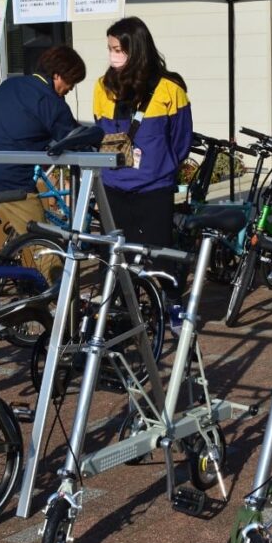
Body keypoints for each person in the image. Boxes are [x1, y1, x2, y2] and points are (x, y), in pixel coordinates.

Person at [93, 17, 192, 331]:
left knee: (161, 251)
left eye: (118, 49)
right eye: (109, 48)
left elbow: (181, 139)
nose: (112, 55)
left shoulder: (170, 88)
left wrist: (160, 166)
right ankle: (125, 312)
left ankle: (174, 306)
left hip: (153, 186)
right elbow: (100, 131)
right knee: (115, 254)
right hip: (113, 184)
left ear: (136, 49)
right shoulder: (102, 86)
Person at [0, 44, 86, 276]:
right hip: (11, 181)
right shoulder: (50, 101)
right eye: (71, 82)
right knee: (42, 243)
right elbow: (73, 137)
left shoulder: (10, 84)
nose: (70, 89)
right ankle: (61, 300)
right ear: (57, 74)